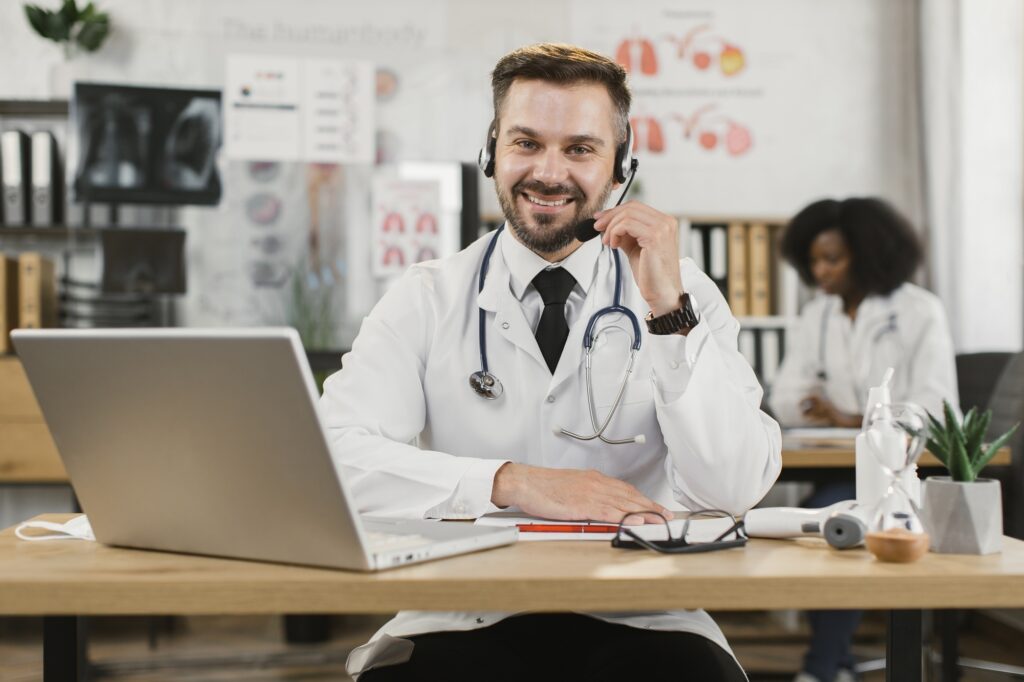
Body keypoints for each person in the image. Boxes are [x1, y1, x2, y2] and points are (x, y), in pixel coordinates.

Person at [322, 43, 781, 681]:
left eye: (580, 149)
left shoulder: (685, 293)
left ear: (622, 166)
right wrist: (512, 482)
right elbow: (335, 459)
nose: (548, 172)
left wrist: (668, 314)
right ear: (491, 152)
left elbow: (732, 488)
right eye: (526, 142)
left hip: (643, 613)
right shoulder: (428, 296)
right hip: (462, 611)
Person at [768, 197, 959, 682]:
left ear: (868, 254)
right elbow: (787, 397)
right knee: (818, 525)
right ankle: (840, 660)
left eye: (832, 259)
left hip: (905, 470)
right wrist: (825, 411)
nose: (820, 271)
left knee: (834, 526)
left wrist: (852, 415)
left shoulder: (919, 311)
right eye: (813, 261)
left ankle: (821, 667)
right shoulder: (819, 315)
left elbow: (936, 410)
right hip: (836, 463)